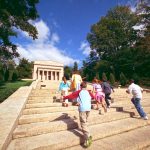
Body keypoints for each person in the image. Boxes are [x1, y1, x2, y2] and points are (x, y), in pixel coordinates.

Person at [63, 81, 94, 148]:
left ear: (80, 86)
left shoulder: (79, 91)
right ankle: (87, 131)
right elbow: (93, 97)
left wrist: (65, 97)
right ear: (86, 86)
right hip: (88, 108)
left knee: (83, 123)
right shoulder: (88, 92)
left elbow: (71, 96)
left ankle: (88, 137)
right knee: (85, 121)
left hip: (82, 109)